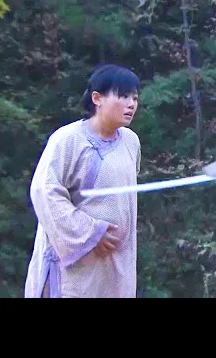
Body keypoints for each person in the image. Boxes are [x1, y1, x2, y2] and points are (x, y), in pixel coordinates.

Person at [24, 64, 143, 298]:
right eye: (123, 96)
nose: (131, 104)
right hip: (73, 265)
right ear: (97, 98)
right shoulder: (67, 139)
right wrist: (92, 233)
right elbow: (45, 192)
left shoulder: (131, 142)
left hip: (115, 263)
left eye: (135, 98)